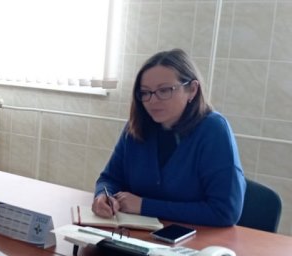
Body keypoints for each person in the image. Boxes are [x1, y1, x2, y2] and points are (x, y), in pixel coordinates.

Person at [92, 48, 246, 227]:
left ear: (192, 90)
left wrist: (144, 206)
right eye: (145, 92)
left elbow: (225, 211)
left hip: (195, 238)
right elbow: (109, 179)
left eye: (164, 90)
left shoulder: (213, 129)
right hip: (136, 234)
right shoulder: (137, 126)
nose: (152, 100)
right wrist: (102, 196)